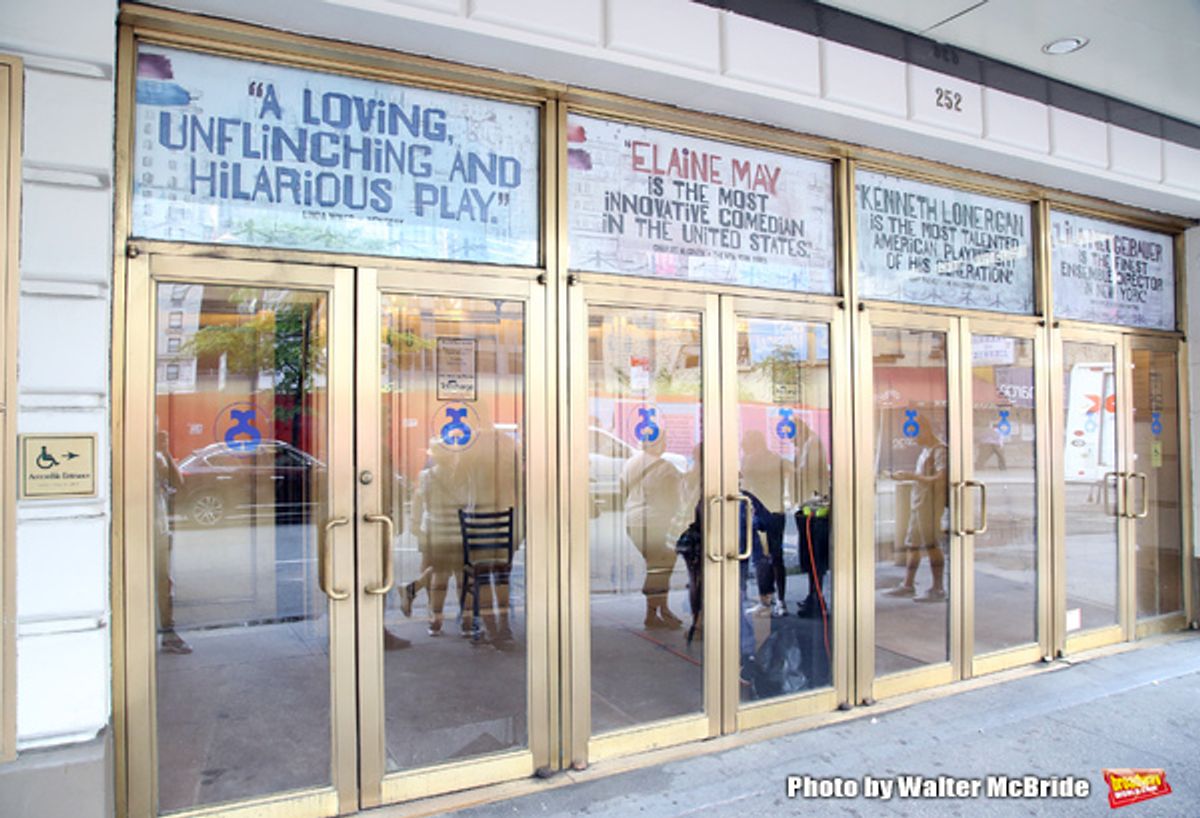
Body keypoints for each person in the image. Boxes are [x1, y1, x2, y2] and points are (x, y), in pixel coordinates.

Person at [621, 433, 684, 630]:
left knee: (656, 566)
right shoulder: (666, 468)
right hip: (656, 522)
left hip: (633, 522)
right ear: (656, 444)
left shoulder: (630, 463)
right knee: (662, 566)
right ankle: (656, 612)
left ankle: (659, 611)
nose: (666, 444)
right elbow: (674, 499)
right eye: (664, 441)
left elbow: (622, 490)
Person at [886, 413, 948, 602]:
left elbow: (940, 478)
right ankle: (908, 584)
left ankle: (938, 588)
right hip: (919, 503)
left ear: (926, 430)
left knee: (931, 545)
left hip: (930, 505)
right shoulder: (926, 450)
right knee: (912, 544)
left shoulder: (940, 450)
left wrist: (912, 477)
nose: (914, 440)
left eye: (916, 434)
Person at [741, 430, 789, 618]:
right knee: (777, 558)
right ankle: (781, 601)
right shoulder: (776, 458)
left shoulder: (748, 460)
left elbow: (745, 487)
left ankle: (765, 600)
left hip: (760, 513)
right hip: (777, 511)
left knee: (762, 559)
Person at [154, 429, 190, 655]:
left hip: (160, 528)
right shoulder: (143, 458)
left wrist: (166, 453)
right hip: (147, 528)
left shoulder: (159, 457)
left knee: (164, 582)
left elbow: (178, 482)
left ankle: (168, 633)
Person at [792, 421, 831, 618]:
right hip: (810, 507)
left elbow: (810, 474)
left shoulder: (812, 444)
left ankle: (816, 598)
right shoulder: (808, 444)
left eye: (793, 435)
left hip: (815, 510)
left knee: (815, 557)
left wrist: (793, 472)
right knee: (811, 557)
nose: (791, 441)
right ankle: (813, 595)